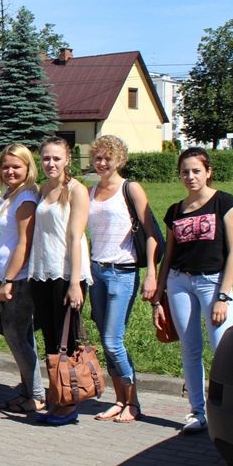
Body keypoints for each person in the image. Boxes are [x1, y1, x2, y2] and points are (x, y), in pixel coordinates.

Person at [154, 147, 233, 435]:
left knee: (223, 351)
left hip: (212, 283)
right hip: (179, 283)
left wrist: (223, 296)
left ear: (208, 172)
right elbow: (168, 255)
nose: (190, 176)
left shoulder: (224, 202)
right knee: (190, 349)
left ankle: (231, 411)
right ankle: (197, 412)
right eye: (185, 172)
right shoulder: (175, 210)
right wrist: (158, 296)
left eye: (196, 171)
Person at [87, 135, 158, 424]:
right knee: (107, 342)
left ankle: (133, 401)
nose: (102, 163)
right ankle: (119, 400)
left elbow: (152, 233)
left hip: (123, 272)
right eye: (98, 158)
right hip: (96, 272)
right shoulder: (91, 192)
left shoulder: (131, 189)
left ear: (120, 159)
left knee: (112, 340)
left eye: (108, 158)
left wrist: (151, 274)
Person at [27, 136, 92, 425]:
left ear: (68, 159)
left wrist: (75, 282)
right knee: (52, 341)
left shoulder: (76, 190)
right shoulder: (44, 189)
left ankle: (70, 404)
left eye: (56, 158)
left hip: (66, 274)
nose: (51, 163)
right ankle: (57, 398)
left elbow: (76, 237)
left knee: (67, 341)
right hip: (42, 272)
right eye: (46, 158)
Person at [0, 145, 45, 414]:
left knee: (16, 336)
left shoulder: (25, 198)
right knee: (21, 337)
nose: (10, 171)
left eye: (16, 166)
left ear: (28, 168)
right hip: (5, 275)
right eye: (6, 166)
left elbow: (24, 243)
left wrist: (9, 280)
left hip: (18, 280)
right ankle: (28, 390)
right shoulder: (9, 195)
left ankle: (35, 395)